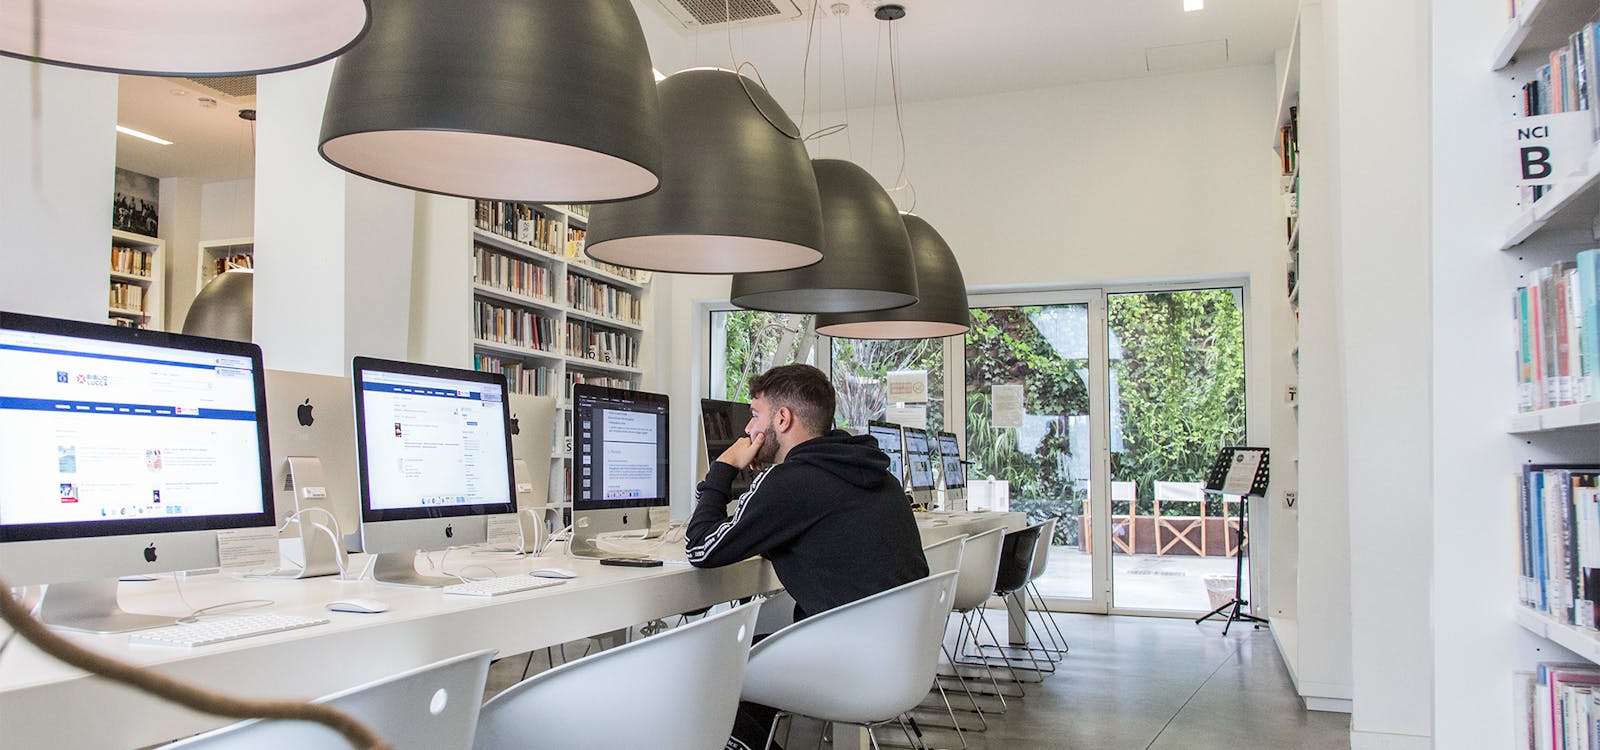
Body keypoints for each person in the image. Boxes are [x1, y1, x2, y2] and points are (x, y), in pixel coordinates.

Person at [686, 364, 929, 750]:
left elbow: (701, 548)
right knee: (749, 654)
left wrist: (721, 470)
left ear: (782, 419)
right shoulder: (875, 473)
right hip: (902, 657)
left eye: (754, 415)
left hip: (847, 664)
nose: (748, 430)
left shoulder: (790, 481)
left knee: (705, 666)